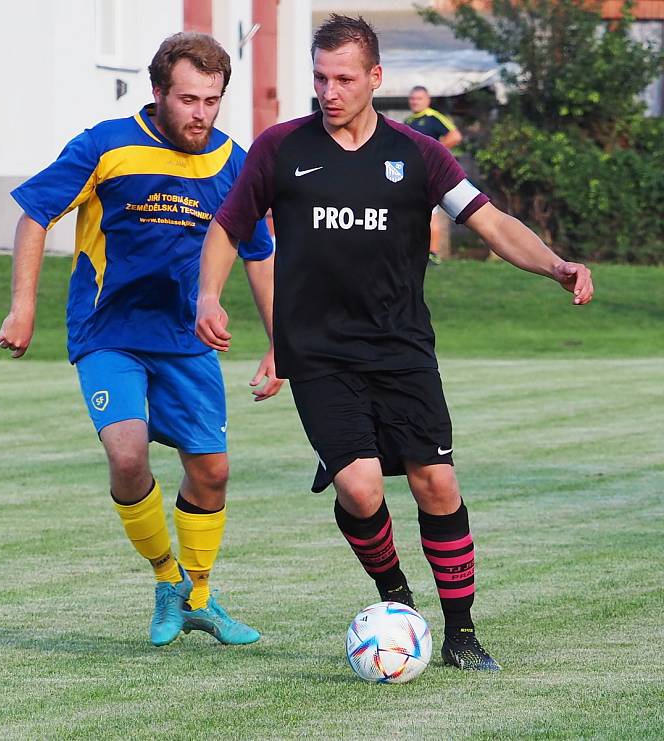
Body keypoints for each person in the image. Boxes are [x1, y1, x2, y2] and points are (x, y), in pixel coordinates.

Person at [195, 14, 593, 671]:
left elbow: (491, 222)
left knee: (436, 481)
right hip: (318, 353)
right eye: (320, 77)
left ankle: (462, 632)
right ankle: (396, 601)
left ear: (375, 78)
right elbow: (228, 226)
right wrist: (208, 295)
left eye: (344, 78)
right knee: (359, 488)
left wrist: (556, 266)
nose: (329, 90)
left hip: (401, 348)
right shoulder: (280, 149)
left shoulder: (418, 153)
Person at [0, 33, 278, 647]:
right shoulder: (106, 145)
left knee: (213, 471)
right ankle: (166, 580)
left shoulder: (232, 162)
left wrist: (282, 342)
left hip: (187, 341)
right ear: (157, 93)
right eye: (187, 99)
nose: (200, 113)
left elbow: (259, 253)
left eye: (212, 100)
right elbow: (35, 214)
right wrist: (22, 308)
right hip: (108, 333)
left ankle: (200, 596)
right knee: (127, 456)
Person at [406, 85, 463, 264]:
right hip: (411, 173)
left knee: (430, 213)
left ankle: (433, 253)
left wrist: (434, 153)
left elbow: (455, 136)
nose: (415, 102)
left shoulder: (433, 117)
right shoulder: (408, 121)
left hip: (427, 174)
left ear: (427, 100)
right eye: (413, 98)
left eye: (419, 98)